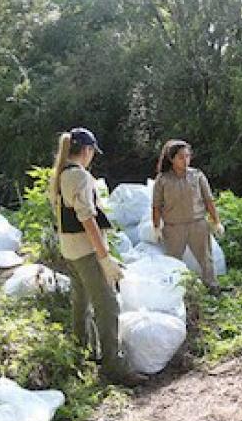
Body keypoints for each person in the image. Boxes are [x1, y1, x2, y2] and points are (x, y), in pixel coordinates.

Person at [49, 127, 146, 386]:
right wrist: (104, 258)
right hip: (86, 252)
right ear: (88, 150)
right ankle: (113, 367)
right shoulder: (79, 176)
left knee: (81, 303)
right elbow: (88, 220)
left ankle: (83, 354)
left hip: (70, 251)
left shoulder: (60, 174)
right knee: (108, 305)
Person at [151, 140, 224, 295]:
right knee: (173, 261)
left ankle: (212, 287)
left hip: (197, 224)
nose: (185, 161)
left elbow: (208, 200)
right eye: (181, 157)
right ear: (171, 159)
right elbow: (156, 205)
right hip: (173, 227)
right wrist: (156, 227)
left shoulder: (197, 176)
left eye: (187, 157)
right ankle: (175, 292)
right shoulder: (163, 180)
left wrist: (216, 221)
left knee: (206, 258)